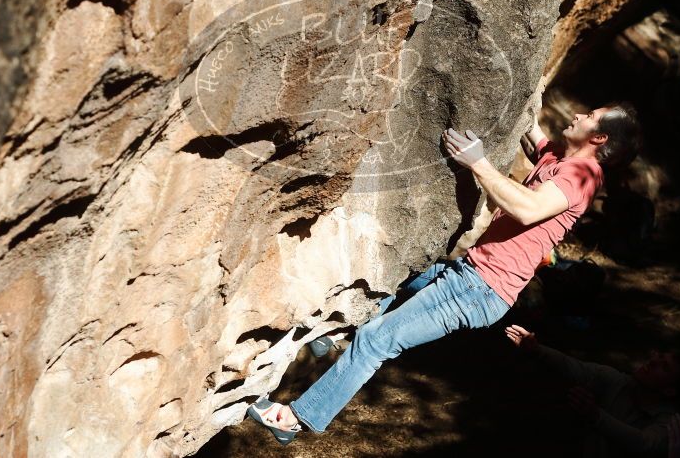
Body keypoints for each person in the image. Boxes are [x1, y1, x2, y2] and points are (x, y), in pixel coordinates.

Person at [247, 103, 642, 445]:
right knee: (397, 274)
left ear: (600, 138)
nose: (577, 114)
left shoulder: (580, 176)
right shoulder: (562, 159)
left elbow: (528, 208)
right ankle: (336, 339)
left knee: (377, 341)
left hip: (478, 288)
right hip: (471, 276)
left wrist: (477, 161)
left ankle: (296, 419)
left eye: (589, 116)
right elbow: (530, 133)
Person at [506, 324, 680, 457]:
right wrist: (538, 350)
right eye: (659, 357)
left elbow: (644, 443)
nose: (654, 361)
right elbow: (575, 367)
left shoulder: (671, 423)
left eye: (665, 367)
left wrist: (595, 416)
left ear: (670, 391)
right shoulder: (618, 381)